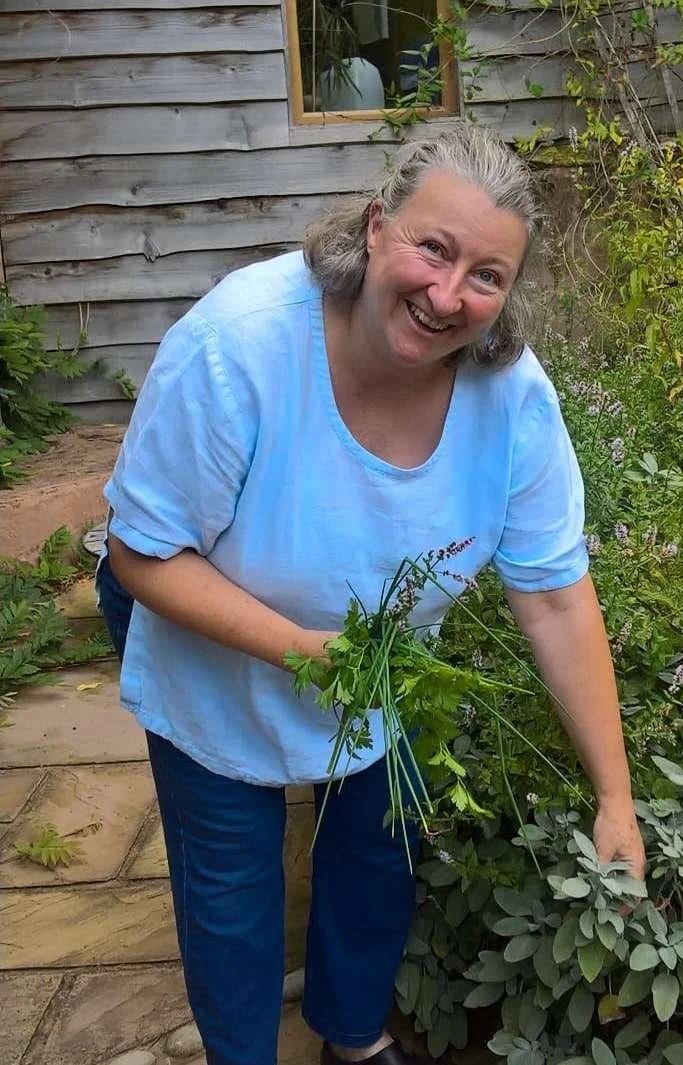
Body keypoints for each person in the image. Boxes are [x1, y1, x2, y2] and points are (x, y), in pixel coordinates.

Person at [97, 123, 645, 1065]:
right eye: (433, 247)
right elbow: (142, 554)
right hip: (213, 634)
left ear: (510, 295)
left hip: (381, 658)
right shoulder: (240, 349)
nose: (447, 294)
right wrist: (302, 651)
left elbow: (554, 596)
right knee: (231, 883)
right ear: (378, 226)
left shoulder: (512, 398)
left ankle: (349, 1035)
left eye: (486, 274)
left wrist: (615, 794)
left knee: (376, 848)